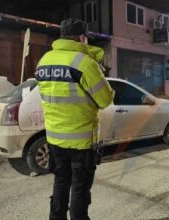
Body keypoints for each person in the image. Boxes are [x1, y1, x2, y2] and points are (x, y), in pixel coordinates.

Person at [35, 18, 114, 220]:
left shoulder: (44, 60)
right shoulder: (85, 64)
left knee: (61, 182)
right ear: (82, 38)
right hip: (81, 143)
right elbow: (105, 100)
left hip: (54, 140)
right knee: (79, 188)